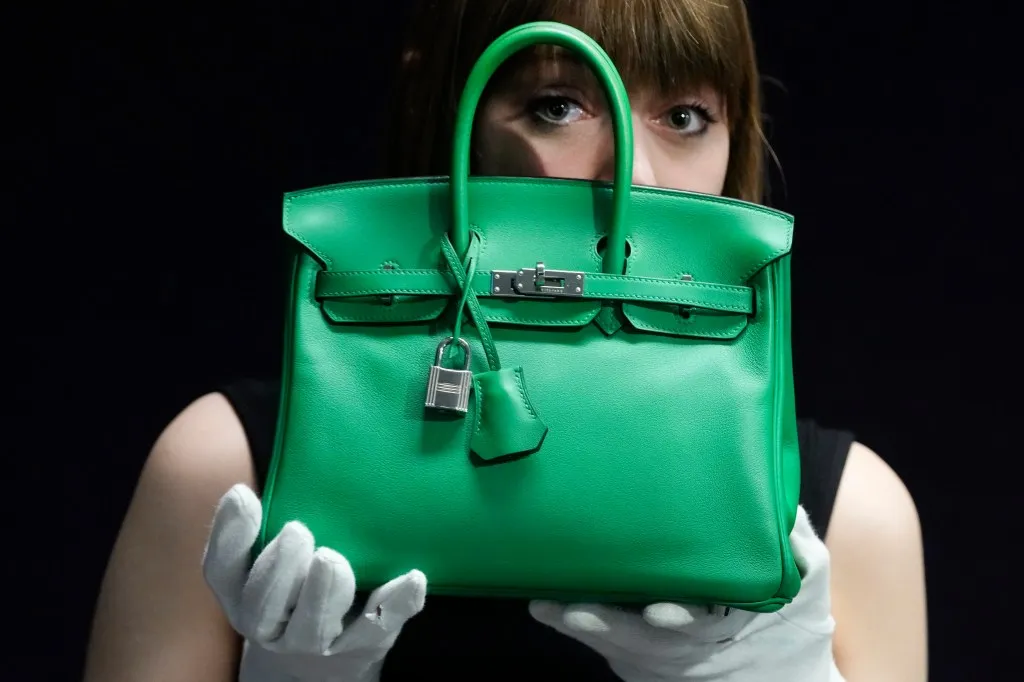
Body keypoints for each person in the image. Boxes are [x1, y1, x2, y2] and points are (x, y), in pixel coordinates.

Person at [82, 1, 928, 680]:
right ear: (444, 105)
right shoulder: (221, 472)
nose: (633, 172)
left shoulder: (853, 518)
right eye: (557, 106)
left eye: (684, 113)